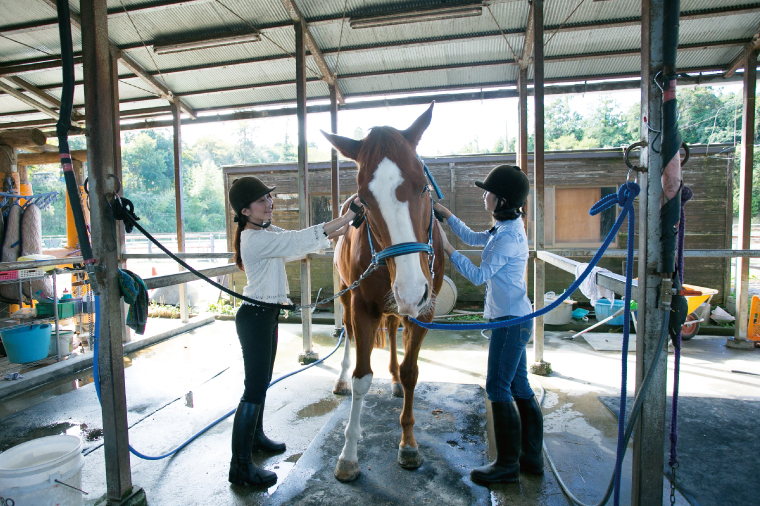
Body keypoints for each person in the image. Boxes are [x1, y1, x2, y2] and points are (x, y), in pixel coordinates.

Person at [227, 176, 361, 487]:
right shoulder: (255, 239)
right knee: (254, 388)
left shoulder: (266, 232)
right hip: (255, 318)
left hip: (266, 315)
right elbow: (298, 241)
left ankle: (257, 438)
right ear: (246, 211)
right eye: (261, 201)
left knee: (262, 382)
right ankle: (241, 467)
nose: (269, 203)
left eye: (269, 198)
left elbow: (304, 239)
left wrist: (349, 225)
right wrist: (349, 214)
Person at [433, 164, 544, 484]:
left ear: (503, 201)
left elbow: (479, 276)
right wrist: (446, 215)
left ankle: (507, 465)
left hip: (510, 322)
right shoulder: (505, 228)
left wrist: (447, 248)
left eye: (489, 193)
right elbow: (473, 236)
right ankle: (531, 458)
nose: (484, 196)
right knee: (519, 386)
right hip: (514, 318)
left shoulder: (508, 237)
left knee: (497, 387)